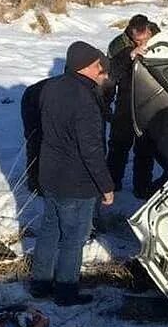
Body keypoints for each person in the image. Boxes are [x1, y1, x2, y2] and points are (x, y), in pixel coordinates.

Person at [30, 41, 114, 306]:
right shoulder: (86, 100)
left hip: (50, 174)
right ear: (88, 66)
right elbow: (91, 150)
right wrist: (106, 186)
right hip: (75, 182)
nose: (102, 70)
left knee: (48, 230)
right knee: (73, 239)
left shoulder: (50, 88)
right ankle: (66, 292)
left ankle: (40, 284)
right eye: (99, 65)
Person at [105, 14, 168, 199]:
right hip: (126, 100)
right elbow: (111, 76)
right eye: (137, 40)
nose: (141, 43)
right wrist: (130, 56)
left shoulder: (161, 39)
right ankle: (112, 183)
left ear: (149, 31)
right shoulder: (118, 45)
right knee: (119, 144)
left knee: (146, 147)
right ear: (130, 34)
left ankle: (141, 188)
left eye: (144, 40)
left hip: (151, 100)